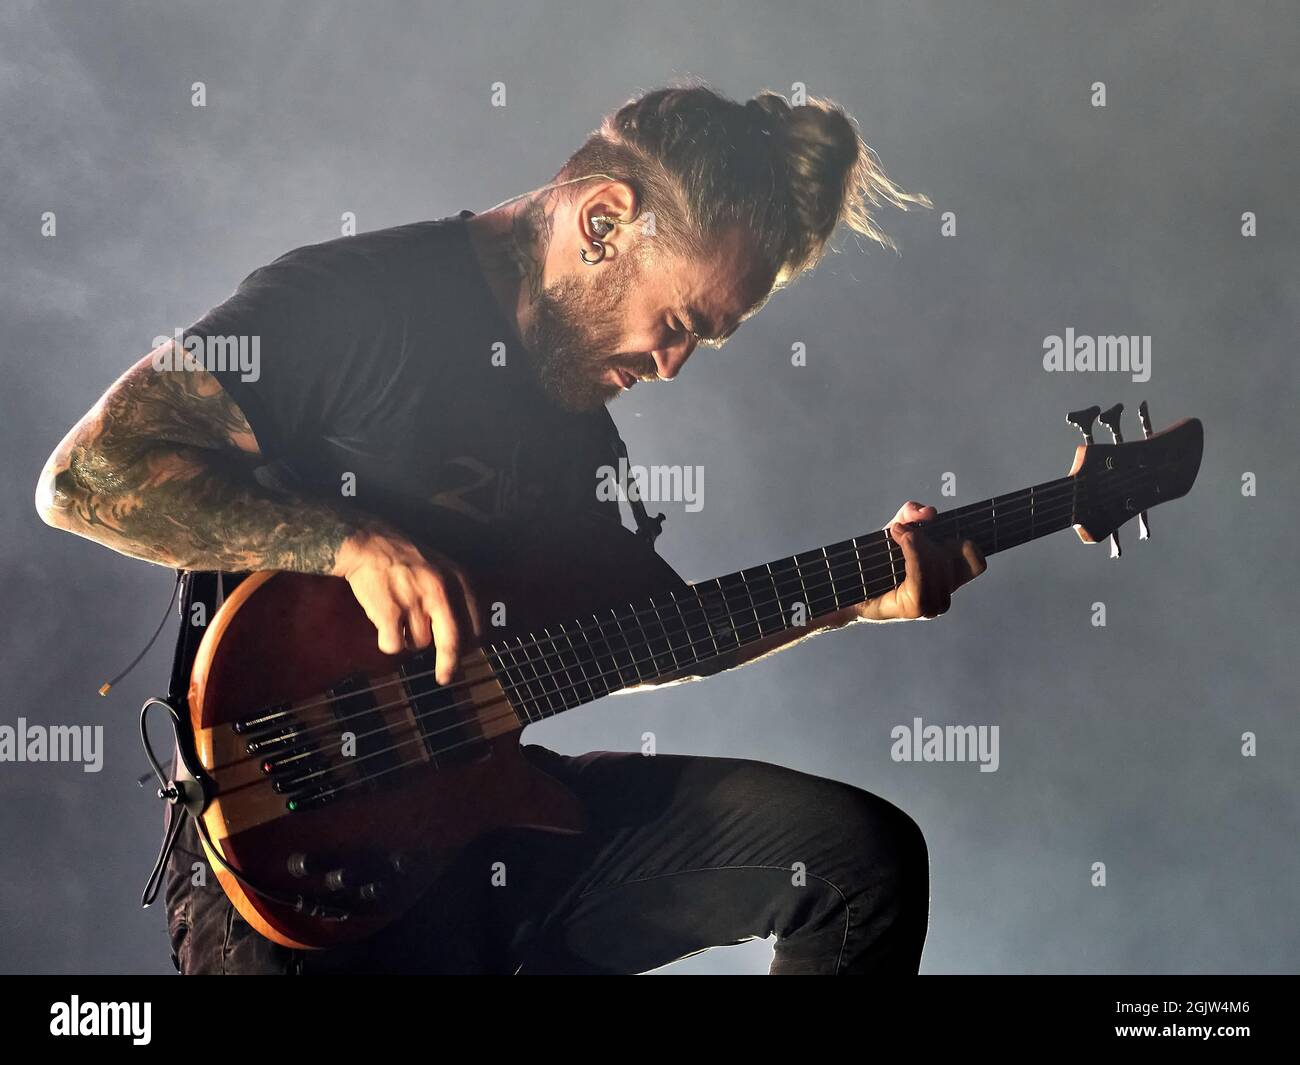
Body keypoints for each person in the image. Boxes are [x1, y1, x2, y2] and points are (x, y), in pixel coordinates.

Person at [35, 84, 985, 974]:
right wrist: (349, 545)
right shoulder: (365, 300)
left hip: (489, 828)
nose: (673, 365)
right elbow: (85, 480)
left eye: (702, 339)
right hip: (301, 867)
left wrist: (853, 597)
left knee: (854, 859)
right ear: (603, 221)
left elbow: (653, 633)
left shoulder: (580, 432)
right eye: (677, 322)